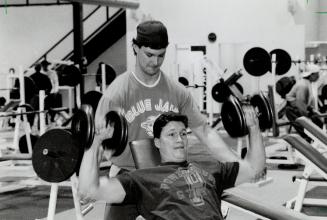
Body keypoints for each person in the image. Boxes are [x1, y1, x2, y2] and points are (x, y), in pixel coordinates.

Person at [94, 19, 243, 220]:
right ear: (136, 48)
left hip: (170, 175)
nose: (155, 62)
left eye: (160, 56)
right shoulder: (116, 94)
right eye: (149, 55)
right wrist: (91, 179)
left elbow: (205, 132)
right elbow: (98, 141)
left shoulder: (177, 92)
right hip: (129, 176)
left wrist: (236, 163)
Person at [78, 111, 265, 220]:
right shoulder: (142, 178)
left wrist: (254, 129)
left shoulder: (212, 167)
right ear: (157, 142)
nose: (180, 140)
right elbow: (89, 190)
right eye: (172, 134)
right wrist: (94, 143)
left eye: (183, 134)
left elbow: (254, 168)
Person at [285, 63, 323, 141]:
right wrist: (307, 118)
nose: (318, 76)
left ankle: (317, 140)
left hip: (299, 107)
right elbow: (300, 104)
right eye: (317, 74)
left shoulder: (307, 83)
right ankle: (308, 140)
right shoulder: (303, 85)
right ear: (311, 75)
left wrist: (312, 110)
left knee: (319, 122)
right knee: (305, 127)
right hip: (293, 109)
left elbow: (306, 102)